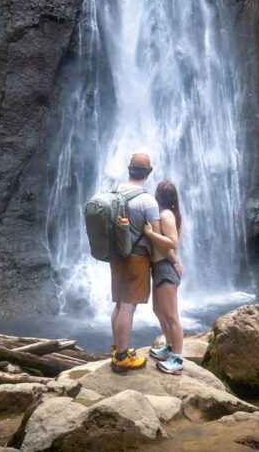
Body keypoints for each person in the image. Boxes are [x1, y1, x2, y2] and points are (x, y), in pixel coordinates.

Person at [109, 152, 160, 372]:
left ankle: (116, 348)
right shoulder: (147, 200)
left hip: (116, 256)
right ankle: (122, 357)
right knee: (129, 306)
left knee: (119, 303)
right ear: (148, 172)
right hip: (137, 258)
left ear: (129, 169)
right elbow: (156, 235)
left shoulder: (114, 192)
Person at [145, 180, 184, 375]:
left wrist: (151, 235)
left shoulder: (166, 215)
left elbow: (172, 243)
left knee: (171, 316)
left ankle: (177, 359)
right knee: (159, 311)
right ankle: (169, 348)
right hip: (160, 267)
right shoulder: (164, 214)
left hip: (165, 269)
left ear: (158, 196)